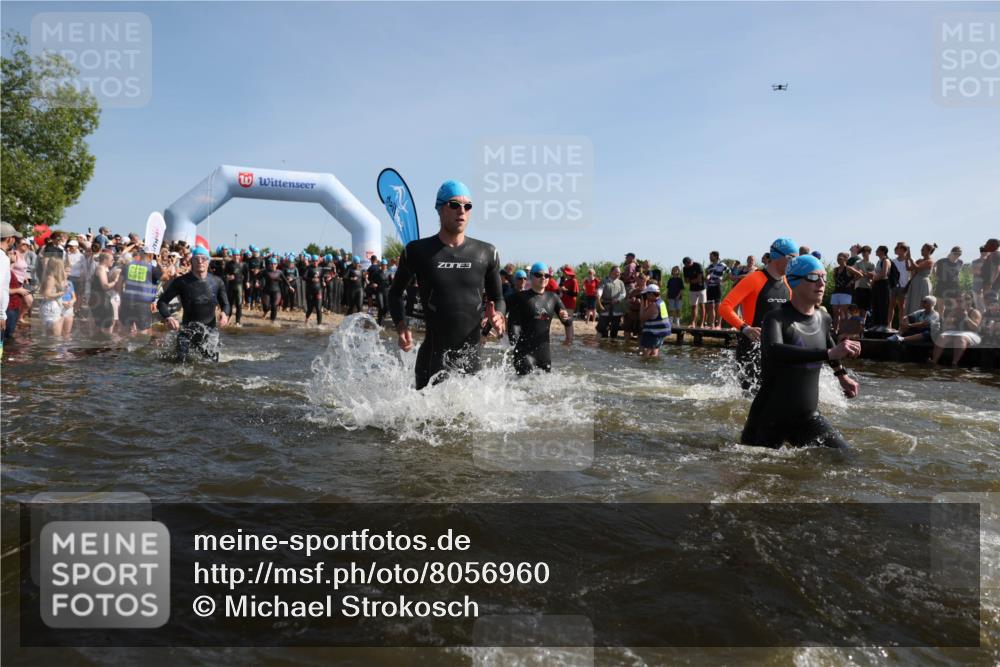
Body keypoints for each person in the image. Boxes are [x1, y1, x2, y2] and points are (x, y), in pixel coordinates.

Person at [387, 179, 505, 390]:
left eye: (467, 206)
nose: (462, 210)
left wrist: (499, 315)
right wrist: (401, 326)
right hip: (431, 362)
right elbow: (394, 293)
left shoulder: (486, 252)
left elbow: (498, 299)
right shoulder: (417, 251)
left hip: (472, 362)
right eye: (454, 204)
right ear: (440, 208)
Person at [740, 254, 860, 449]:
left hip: (808, 417)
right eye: (813, 277)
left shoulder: (823, 318)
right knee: (755, 467)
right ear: (794, 281)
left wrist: (842, 375)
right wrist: (829, 354)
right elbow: (775, 351)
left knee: (846, 458)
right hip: (769, 419)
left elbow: (828, 343)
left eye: (824, 277)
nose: (821, 283)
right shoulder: (775, 318)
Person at [719, 237, 797, 393]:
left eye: (796, 258)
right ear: (777, 257)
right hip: (751, 348)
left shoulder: (788, 283)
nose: (794, 262)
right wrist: (745, 328)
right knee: (751, 398)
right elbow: (724, 307)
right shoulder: (754, 279)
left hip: (778, 349)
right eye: (791, 258)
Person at [156, 246, 230, 362]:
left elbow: (226, 304)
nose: (200, 261)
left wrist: (224, 314)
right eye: (196, 259)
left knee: (212, 365)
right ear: (191, 261)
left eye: (203, 258)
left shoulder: (217, 282)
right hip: (187, 331)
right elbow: (162, 302)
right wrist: (169, 318)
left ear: (208, 261)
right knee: (180, 362)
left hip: (209, 332)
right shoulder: (181, 281)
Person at [506, 261, 573, 375]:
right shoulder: (520, 297)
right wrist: (485, 331)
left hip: (544, 355)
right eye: (539, 275)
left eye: (546, 275)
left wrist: (567, 328)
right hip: (524, 353)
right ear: (531, 277)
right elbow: (500, 309)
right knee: (523, 384)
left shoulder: (553, 298)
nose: (543, 278)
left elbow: (568, 322)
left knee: (544, 385)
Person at [119, 247, 162, 335]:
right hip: (143, 304)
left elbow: (119, 284)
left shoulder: (128, 265)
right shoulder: (152, 268)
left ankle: (125, 344)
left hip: (127, 301)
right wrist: (159, 262)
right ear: (150, 255)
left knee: (125, 329)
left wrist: (121, 299)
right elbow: (166, 277)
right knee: (143, 331)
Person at [932, 293, 982, 366]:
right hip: (954, 332)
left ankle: (954, 363)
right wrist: (950, 319)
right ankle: (934, 361)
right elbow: (945, 327)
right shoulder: (953, 311)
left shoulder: (974, 312)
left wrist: (966, 318)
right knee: (942, 337)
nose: (958, 303)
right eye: (957, 301)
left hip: (971, 333)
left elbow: (975, 328)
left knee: (960, 338)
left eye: (960, 301)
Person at [830, 252, 863, 333]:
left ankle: (843, 330)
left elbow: (860, 275)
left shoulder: (848, 268)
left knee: (843, 313)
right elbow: (835, 279)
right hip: (836, 292)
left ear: (845, 259)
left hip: (846, 293)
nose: (838, 260)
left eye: (840, 258)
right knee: (835, 313)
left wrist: (852, 281)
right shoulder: (835, 269)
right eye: (838, 258)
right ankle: (835, 330)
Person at [0, 222, 22, 349]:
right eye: (14, 238)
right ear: (9, 239)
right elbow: (1, 288)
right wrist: (1, 315)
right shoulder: (3, 259)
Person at [638, 283, 671, 357]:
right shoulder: (661, 302)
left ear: (651, 294)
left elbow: (642, 318)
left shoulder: (654, 305)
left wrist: (642, 303)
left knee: (646, 352)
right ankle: (653, 363)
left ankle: (645, 363)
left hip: (654, 333)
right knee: (654, 351)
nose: (646, 296)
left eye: (646, 294)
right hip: (660, 332)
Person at [90, 251, 118, 334]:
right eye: (112, 260)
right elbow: (105, 286)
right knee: (106, 323)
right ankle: (104, 340)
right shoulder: (101, 268)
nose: (113, 261)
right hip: (100, 299)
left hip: (100, 298)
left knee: (100, 323)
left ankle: (98, 339)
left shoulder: (104, 269)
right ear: (105, 260)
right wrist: (115, 281)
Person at [260, 256, 294, 323]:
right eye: (272, 264)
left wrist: (290, 286)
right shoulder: (265, 271)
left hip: (276, 291)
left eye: (274, 264)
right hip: (266, 291)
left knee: (274, 306)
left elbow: (285, 280)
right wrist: (257, 282)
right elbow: (258, 277)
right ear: (269, 264)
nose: (273, 265)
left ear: (277, 265)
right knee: (266, 307)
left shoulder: (279, 272)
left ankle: (272, 321)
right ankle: (265, 312)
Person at [905, 243, 935, 314]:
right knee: (913, 302)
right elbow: (909, 268)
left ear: (929, 251)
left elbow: (917, 267)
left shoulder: (930, 261)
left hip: (923, 284)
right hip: (915, 283)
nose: (921, 250)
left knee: (922, 302)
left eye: (923, 249)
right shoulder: (919, 260)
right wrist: (907, 259)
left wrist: (910, 258)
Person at [596, 266, 626, 338]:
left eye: (619, 272)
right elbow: (600, 289)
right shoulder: (604, 281)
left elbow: (623, 293)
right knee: (603, 329)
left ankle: (613, 343)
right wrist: (598, 295)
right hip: (605, 307)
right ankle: (603, 343)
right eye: (617, 272)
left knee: (615, 329)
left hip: (617, 308)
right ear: (611, 272)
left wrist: (618, 299)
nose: (618, 274)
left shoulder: (621, 282)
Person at [933, 246, 963, 316]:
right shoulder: (942, 261)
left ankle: (952, 320)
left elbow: (958, 272)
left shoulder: (960, 262)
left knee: (954, 305)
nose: (957, 256)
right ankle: (941, 320)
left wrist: (958, 279)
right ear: (951, 253)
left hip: (954, 286)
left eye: (959, 254)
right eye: (956, 254)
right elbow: (933, 266)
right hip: (941, 285)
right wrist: (935, 276)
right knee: (941, 306)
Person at [704, 251, 729, 328]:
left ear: (716, 256)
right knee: (711, 306)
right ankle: (712, 324)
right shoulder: (710, 266)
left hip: (717, 287)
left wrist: (723, 280)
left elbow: (730, 273)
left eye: (711, 256)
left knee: (718, 307)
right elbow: (707, 275)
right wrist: (707, 278)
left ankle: (718, 325)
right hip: (710, 287)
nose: (709, 258)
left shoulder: (722, 265)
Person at [889, 242, 911, 330]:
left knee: (902, 307)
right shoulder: (893, 261)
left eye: (898, 248)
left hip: (904, 286)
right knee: (891, 305)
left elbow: (911, 272)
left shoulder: (909, 260)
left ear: (903, 250)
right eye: (897, 248)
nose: (897, 249)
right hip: (894, 286)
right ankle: (889, 325)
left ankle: (901, 326)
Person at [682, 257, 706, 327]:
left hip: (701, 288)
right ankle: (693, 323)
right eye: (686, 264)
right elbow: (686, 281)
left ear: (691, 261)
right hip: (692, 289)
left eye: (689, 263)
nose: (688, 265)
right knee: (694, 306)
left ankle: (702, 323)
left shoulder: (698, 265)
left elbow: (699, 279)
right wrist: (694, 281)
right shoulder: (685, 268)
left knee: (702, 306)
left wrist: (691, 281)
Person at [224, 250, 245, 326]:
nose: (236, 256)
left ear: (240, 256)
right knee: (229, 303)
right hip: (231, 286)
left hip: (239, 286)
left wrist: (248, 282)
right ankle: (228, 319)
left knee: (239, 304)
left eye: (237, 255)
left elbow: (247, 274)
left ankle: (238, 321)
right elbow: (224, 274)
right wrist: (228, 276)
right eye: (234, 255)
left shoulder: (243, 264)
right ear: (232, 256)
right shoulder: (229, 264)